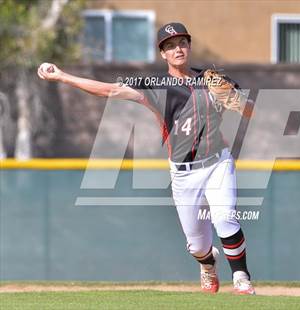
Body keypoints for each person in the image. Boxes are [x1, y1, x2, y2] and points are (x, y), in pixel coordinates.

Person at [37, 22, 255, 295]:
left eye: (182, 43)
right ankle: (207, 263)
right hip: (184, 173)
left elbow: (249, 111)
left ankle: (242, 279)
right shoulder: (156, 85)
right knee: (198, 245)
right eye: (170, 45)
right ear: (163, 53)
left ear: (189, 46)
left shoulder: (211, 80)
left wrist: (233, 97)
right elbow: (109, 90)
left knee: (225, 219)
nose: (178, 49)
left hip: (218, 163)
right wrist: (63, 77)